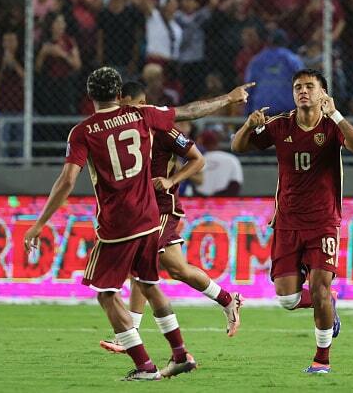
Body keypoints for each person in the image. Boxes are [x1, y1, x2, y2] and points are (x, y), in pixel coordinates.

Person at [23, 66, 253, 381]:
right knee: (149, 282)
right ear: (120, 96)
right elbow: (189, 111)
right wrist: (229, 98)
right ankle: (180, 353)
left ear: (90, 96)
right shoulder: (144, 116)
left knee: (105, 293)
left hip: (118, 223)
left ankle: (144, 364)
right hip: (148, 217)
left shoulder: (83, 132)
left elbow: (66, 181)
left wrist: (39, 224)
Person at [231, 69, 353, 374]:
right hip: (287, 222)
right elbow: (239, 147)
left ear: (323, 93)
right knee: (288, 299)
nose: (303, 91)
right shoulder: (281, 125)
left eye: (309, 86)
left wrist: (337, 115)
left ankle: (322, 360)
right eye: (298, 87)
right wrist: (248, 125)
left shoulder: (331, 125)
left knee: (320, 289)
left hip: (323, 222)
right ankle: (328, 304)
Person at [100, 81, 244, 355]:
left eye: (132, 106)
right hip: (138, 210)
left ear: (139, 103)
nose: (128, 111)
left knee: (142, 266)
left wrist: (170, 180)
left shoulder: (161, 126)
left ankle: (129, 335)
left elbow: (197, 160)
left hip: (163, 208)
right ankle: (228, 299)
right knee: (177, 269)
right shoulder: (118, 131)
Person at [245, 28, 303, 115]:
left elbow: (249, 87)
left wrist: (247, 111)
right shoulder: (292, 59)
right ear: (285, 42)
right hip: (287, 110)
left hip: (262, 110)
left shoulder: (258, 60)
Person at [195, 130, 243, 196]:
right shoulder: (231, 159)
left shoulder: (196, 160)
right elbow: (236, 185)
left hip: (198, 201)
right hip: (222, 202)